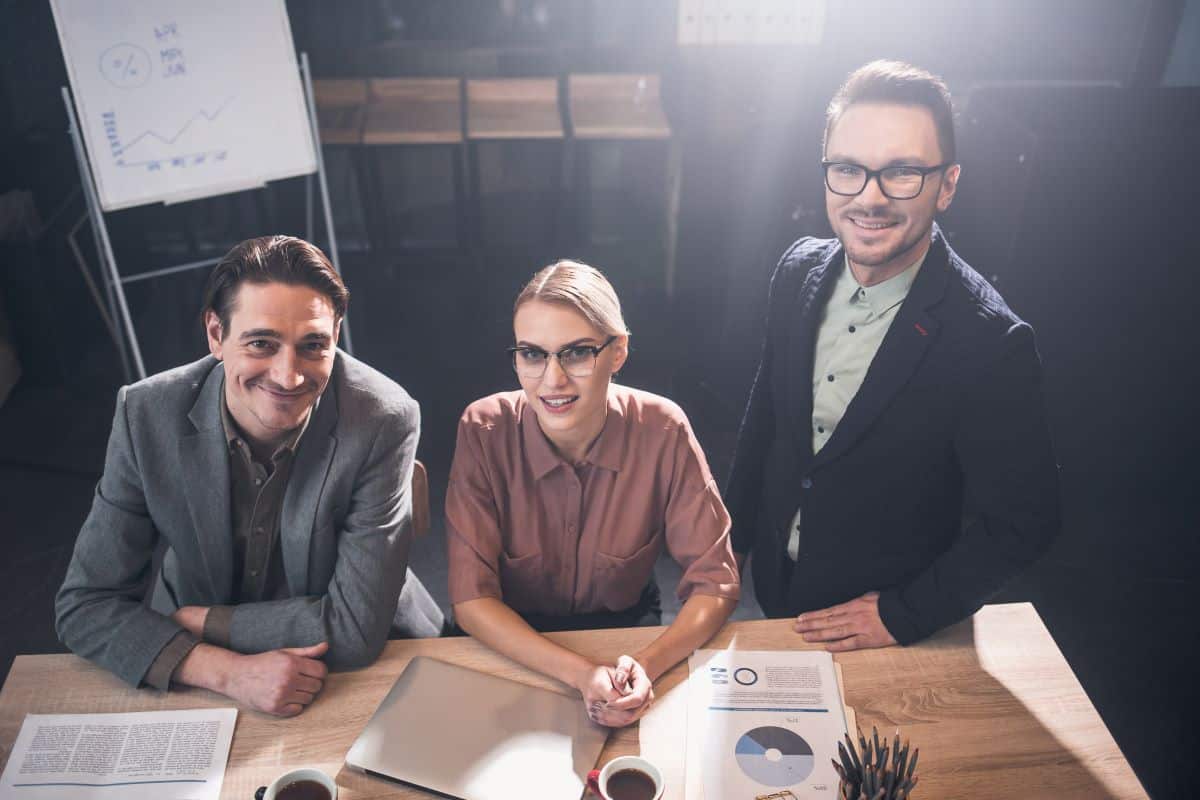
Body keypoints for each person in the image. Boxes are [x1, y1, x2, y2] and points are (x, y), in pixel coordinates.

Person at [725, 60, 1060, 651]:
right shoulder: (797, 269)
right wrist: (731, 541)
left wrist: (905, 614)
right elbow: (766, 420)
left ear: (947, 184)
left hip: (888, 631)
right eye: (849, 169)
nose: (869, 198)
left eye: (902, 172)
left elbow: (1024, 523)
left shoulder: (990, 341)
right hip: (773, 594)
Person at [55, 235, 442, 716]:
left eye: (312, 346)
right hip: (197, 659)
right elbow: (86, 604)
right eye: (261, 343)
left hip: (357, 662)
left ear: (336, 334)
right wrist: (224, 669)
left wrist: (208, 622)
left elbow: (355, 631)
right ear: (216, 335)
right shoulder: (146, 412)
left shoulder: (384, 417)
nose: (288, 376)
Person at [447, 260, 740, 727]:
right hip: (510, 638)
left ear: (618, 351)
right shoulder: (483, 429)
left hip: (625, 639)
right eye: (533, 354)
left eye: (578, 352)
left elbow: (716, 583)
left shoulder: (664, 428)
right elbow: (472, 601)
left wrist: (646, 664)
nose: (553, 380)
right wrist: (582, 674)